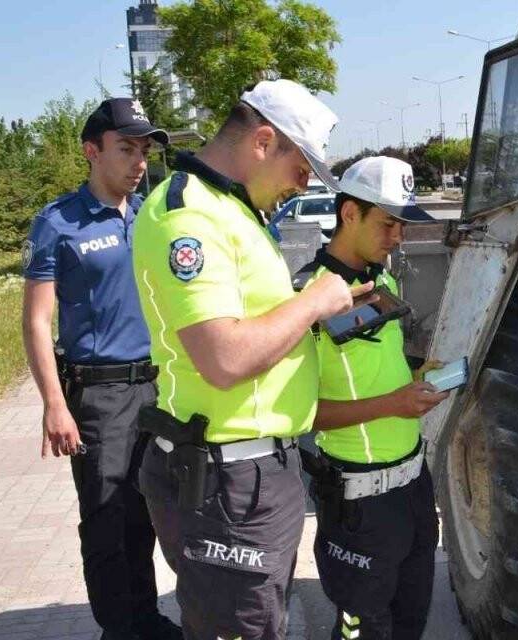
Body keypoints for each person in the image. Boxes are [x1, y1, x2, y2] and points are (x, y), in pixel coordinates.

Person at [130, 79, 365, 640]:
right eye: (302, 169)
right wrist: (312, 303)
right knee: (242, 628)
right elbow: (224, 357)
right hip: (225, 481)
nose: (302, 185)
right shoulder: (188, 217)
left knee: (261, 621)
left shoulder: (234, 211)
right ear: (263, 142)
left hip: (253, 474)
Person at [21, 98, 180, 640]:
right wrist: (54, 404)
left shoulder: (150, 214)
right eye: (126, 148)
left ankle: (146, 617)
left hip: (157, 389)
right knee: (108, 522)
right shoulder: (59, 222)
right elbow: (38, 323)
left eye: (143, 150)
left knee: (149, 514)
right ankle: (121, 629)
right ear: (92, 152)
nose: (138, 161)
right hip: (100, 397)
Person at [294, 156, 448, 640]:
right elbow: (302, 413)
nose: (397, 237)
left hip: (414, 488)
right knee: (366, 630)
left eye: (402, 225)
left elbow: (374, 369)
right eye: (388, 223)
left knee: (411, 621)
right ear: (349, 214)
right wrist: (393, 405)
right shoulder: (306, 297)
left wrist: (418, 376)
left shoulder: (381, 281)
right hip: (360, 506)